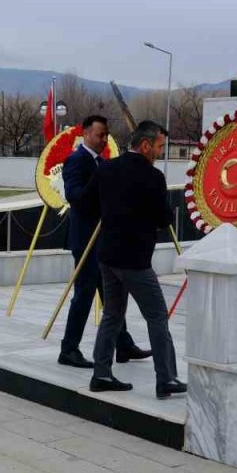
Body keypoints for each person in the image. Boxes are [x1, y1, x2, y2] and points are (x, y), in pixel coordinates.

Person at [82, 120, 187, 399]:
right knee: (157, 316)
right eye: (159, 147)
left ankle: (101, 373)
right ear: (145, 145)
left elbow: (87, 204)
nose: (160, 152)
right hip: (135, 260)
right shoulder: (152, 177)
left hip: (107, 255)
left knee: (112, 315)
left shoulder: (106, 168)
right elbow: (163, 220)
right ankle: (166, 378)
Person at [58, 115, 151, 368]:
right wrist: (102, 192)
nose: (103, 140)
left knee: (113, 295)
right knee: (84, 294)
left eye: (105, 135)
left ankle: (123, 345)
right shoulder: (76, 161)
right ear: (85, 134)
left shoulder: (103, 162)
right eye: (99, 135)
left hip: (105, 240)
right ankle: (68, 349)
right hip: (86, 240)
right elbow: (75, 196)